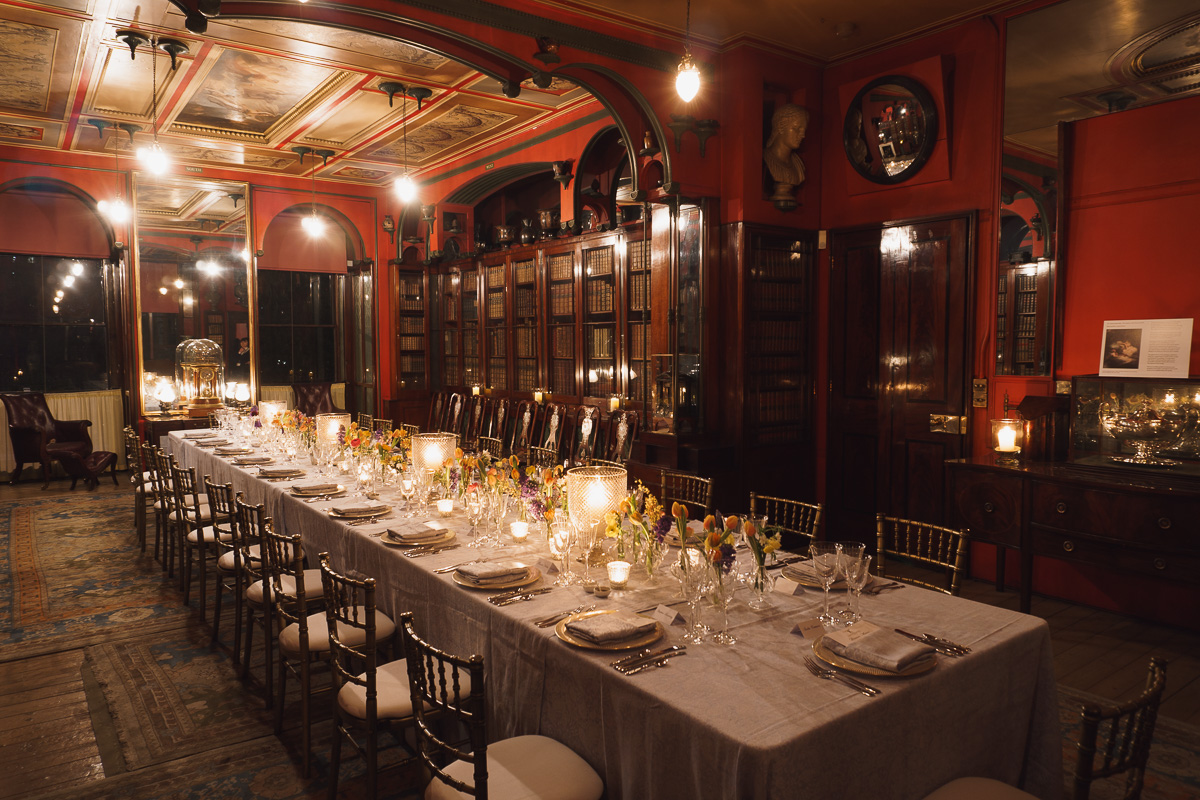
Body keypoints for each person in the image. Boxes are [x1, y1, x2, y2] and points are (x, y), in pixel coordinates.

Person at [764, 104, 809, 209]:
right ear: (781, 127)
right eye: (797, 128)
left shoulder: (798, 165)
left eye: (804, 130)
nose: (803, 135)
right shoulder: (765, 159)